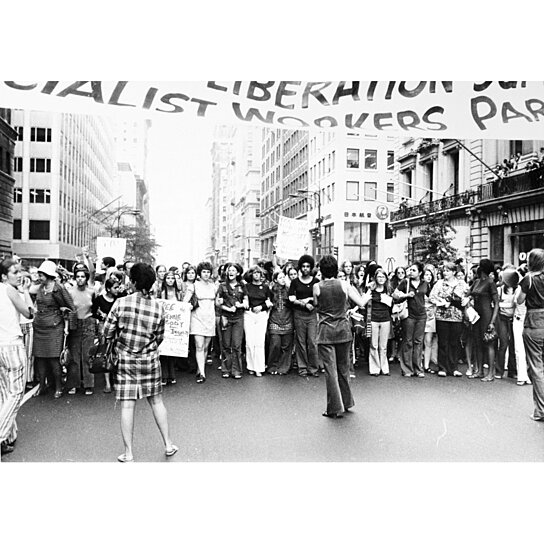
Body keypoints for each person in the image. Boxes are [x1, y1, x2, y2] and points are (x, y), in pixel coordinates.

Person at [103, 263, 177, 462]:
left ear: (133, 282)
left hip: (126, 359)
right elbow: (159, 336)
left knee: (127, 406)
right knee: (156, 401)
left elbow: (107, 331)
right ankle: (168, 444)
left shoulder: (121, 303)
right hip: (150, 359)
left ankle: (128, 453)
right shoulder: (158, 307)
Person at [313, 255, 366, 419]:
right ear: (336, 269)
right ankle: (347, 401)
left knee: (330, 370)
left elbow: (316, 305)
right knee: (344, 368)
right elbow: (361, 303)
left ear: (321, 270)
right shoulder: (344, 284)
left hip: (325, 331)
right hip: (343, 330)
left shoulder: (317, 286)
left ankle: (334, 408)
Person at [0, 258, 34, 457]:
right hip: (12, 346)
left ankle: (9, 436)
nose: (20, 275)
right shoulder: (9, 290)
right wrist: (27, 293)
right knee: (15, 394)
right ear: (4, 276)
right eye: (15, 272)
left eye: (20, 271)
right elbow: (29, 313)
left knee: (5, 393)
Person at [32, 260, 76, 398]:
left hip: (54, 327)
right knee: (39, 358)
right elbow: (28, 292)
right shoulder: (39, 288)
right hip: (40, 327)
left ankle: (58, 386)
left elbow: (71, 308)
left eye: (41, 274)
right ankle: (42, 385)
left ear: (48, 274)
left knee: (54, 359)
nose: (39, 277)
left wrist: (68, 325)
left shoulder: (59, 288)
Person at [517, 248, 544, 421]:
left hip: (534, 321)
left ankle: (541, 410)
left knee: (536, 366)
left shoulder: (529, 278)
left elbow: (519, 300)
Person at [65, 256, 97, 396]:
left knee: (87, 355)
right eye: (77, 276)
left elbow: (94, 308)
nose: (80, 279)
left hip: (88, 323)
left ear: (86, 277)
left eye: (82, 276)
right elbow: (67, 308)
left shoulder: (92, 291)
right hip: (74, 323)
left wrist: (87, 257)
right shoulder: (70, 291)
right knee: (74, 356)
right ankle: (74, 384)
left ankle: (89, 384)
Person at [430, 262, 466, 378]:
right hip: (442, 315)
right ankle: (442, 367)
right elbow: (432, 297)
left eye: (448, 270)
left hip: (456, 316)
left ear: (454, 272)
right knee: (443, 342)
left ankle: (453, 367)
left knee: (454, 342)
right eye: (444, 270)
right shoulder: (439, 283)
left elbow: (464, 297)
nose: (445, 273)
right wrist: (440, 302)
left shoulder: (461, 284)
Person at [393, 261, 428, 378]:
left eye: (414, 270)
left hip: (422, 315)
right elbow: (395, 295)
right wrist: (406, 295)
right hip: (409, 315)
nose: (411, 272)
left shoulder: (425, 283)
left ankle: (418, 368)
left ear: (420, 272)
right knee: (408, 341)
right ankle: (407, 369)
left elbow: (429, 297)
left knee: (418, 341)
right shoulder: (405, 282)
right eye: (410, 270)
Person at [288, 255, 321, 377]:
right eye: (303, 266)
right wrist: (303, 304)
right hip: (299, 314)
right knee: (301, 341)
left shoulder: (316, 282)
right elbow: (291, 298)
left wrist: (309, 299)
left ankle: (313, 368)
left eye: (308, 266)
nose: (306, 268)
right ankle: (302, 367)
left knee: (312, 341)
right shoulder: (295, 282)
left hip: (312, 314)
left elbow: (320, 297)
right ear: (300, 267)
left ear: (311, 267)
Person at [469, 258, 499, 381]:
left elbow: (496, 303)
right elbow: (468, 293)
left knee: (488, 344)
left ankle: (491, 373)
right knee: (477, 342)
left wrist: (492, 321)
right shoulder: (476, 282)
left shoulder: (490, 282)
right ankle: (480, 370)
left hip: (487, 315)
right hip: (476, 315)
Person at [361, 267, 393, 376]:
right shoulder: (371, 289)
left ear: (386, 278)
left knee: (383, 346)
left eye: (383, 276)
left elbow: (394, 303)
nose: (381, 279)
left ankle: (384, 368)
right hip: (373, 319)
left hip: (385, 319)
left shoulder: (388, 290)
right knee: (373, 344)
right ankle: (374, 369)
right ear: (375, 278)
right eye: (379, 276)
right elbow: (362, 301)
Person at [216, 263, 246, 379]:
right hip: (226, 317)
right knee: (226, 345)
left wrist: (240, 305)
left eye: (233, 270)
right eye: (229, 270)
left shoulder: (242, 286)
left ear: (238, 273)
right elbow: (218, 303)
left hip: (238, 318)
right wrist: (228, 308)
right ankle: (226, 369)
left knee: (237, 345)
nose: (231, 272)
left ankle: (237, 370)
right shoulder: (222, 286)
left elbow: (246, 302)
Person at [92, 276, 121, 393]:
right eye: (115, 288)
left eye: (118, 287)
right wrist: (101, 316)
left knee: (117, 353)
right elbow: (93, 312)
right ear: (108, 289)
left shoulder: (119, 299)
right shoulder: (99, 299)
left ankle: (116, 380)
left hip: (117, 328)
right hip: (104, 327)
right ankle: (108, 383)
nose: (117, 290)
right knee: (105, 353)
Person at [244, 265, 273, 377]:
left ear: (261, 275)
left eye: (258, 273)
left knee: (259, 341)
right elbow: (245, 299)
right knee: (250, 341)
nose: (256, 275)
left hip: (261, 314)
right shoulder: (246, 287)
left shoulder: (266, 288)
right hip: (249, 314)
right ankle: (250, 366)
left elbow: (269, 302)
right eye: (254, 273)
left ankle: (259, 368)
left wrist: (261, 307)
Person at [190, 262, 216, 383]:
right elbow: (185, 301)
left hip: (210, 318)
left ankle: (201, 368)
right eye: (204, 271)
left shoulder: (214, 286)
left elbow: (218, 301)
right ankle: (202, 373)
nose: (206, 274)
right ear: (199, 273)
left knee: (206, 347)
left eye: (208, 272)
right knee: (199, 346)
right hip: (197, 318)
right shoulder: (194, 285)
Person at [267, 270, 294, 375]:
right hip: (274, 319)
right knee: (275, 344)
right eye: (280, 278)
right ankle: (272, 366)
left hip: (287, 319)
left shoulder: (289, 290)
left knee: (286, 346)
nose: (283, 280)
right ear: (275, 280)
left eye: (284, 277)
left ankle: (283, 368)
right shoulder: (271, 290)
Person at [495, 266, 517, 380]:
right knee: (503, 343)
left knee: (513, 345)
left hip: (514, 319)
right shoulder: (499, 290)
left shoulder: (518, 289)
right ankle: (499, 370)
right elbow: (496, 305)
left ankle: (512, 371)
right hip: (502, 318)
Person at [423, 267, 438, 373]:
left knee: (428, 340)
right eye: (426, 274)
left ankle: (426, 365)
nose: (428, 277)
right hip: (420, 315)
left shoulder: (434, 287)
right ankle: (418, 363)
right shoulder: (419, 286)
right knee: (419, 341)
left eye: (430, 275)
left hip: (431, 316)